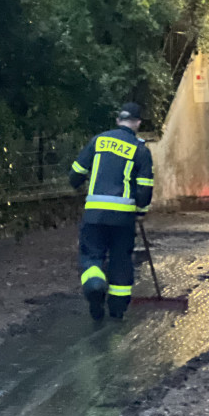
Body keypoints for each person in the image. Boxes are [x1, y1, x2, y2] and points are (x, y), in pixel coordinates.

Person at [69, 102, 154, 320]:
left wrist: (81, 185)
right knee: (121, 259)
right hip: (123, 217)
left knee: (91, 254)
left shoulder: (98, 141)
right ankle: (117, 309)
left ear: (118, 120)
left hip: (94, 213)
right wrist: (141, 211)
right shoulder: (140, 149)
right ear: (137, 123)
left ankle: (95, 283)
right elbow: (144, 188)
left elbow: (75, 175)